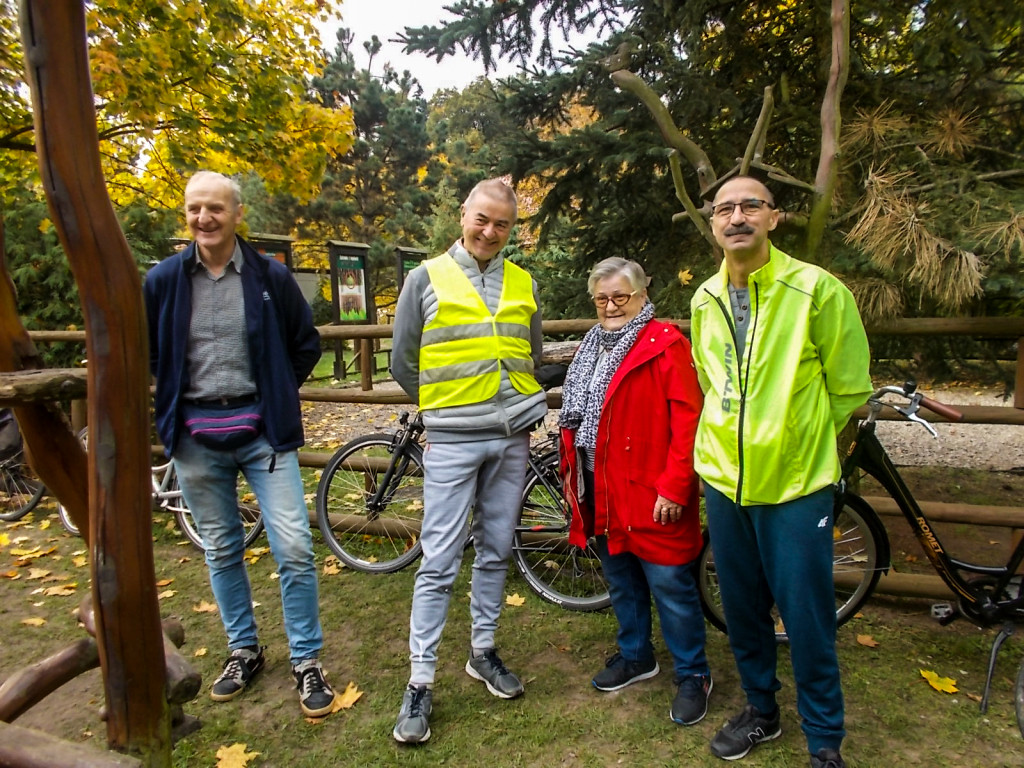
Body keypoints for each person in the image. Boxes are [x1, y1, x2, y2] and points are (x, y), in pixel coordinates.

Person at [689, 175, 872, 768]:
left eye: (750, 206)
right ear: (713, 223)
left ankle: (824, 740)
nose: (736, 216)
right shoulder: (703, 300)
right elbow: (708, 381)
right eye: (724, 208)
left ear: (775, 217)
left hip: (796, 486)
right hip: (725, 482)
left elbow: (848, 390)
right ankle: (761, 711)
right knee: (741, 608)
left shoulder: (817, 290)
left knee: (807, 615)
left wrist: (799, 444)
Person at [143, 171, 336, 718]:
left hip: (264, 435)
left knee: (295, 548)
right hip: (195, 439)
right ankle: (243, 650)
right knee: (222, 548)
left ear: (236, 212)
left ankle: (306, 660)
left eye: (215, 209)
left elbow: (305, 343)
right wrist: (175, 408)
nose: (204, 218)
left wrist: (276, 391)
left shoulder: (270, 277)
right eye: (194, 209)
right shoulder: (163, 281)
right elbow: (153, 354)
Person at [389, 178, 547, 745]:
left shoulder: (525, 281)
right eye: (482, 219)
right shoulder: (424, 277)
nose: (490, 231)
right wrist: (440, 412)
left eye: (502, 224)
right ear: (464, 215)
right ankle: (420, 680)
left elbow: (527, 352)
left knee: (497, 548)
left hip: (511, 440)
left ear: (511, 229)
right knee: (438, 558)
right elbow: (403, 361)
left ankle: (482, 652)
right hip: (454, 441)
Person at [559, 257, 710, 725]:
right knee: (621, 579)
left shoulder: (665, 346)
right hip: (601, 486)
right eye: (602, 298)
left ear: (643, 296)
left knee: (671, 586)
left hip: (650, 489)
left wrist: (676, 486)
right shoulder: (591, 345)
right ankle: (636, 655)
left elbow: (689, 421)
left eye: (620, 297)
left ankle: (693, 674)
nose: (610, 306)